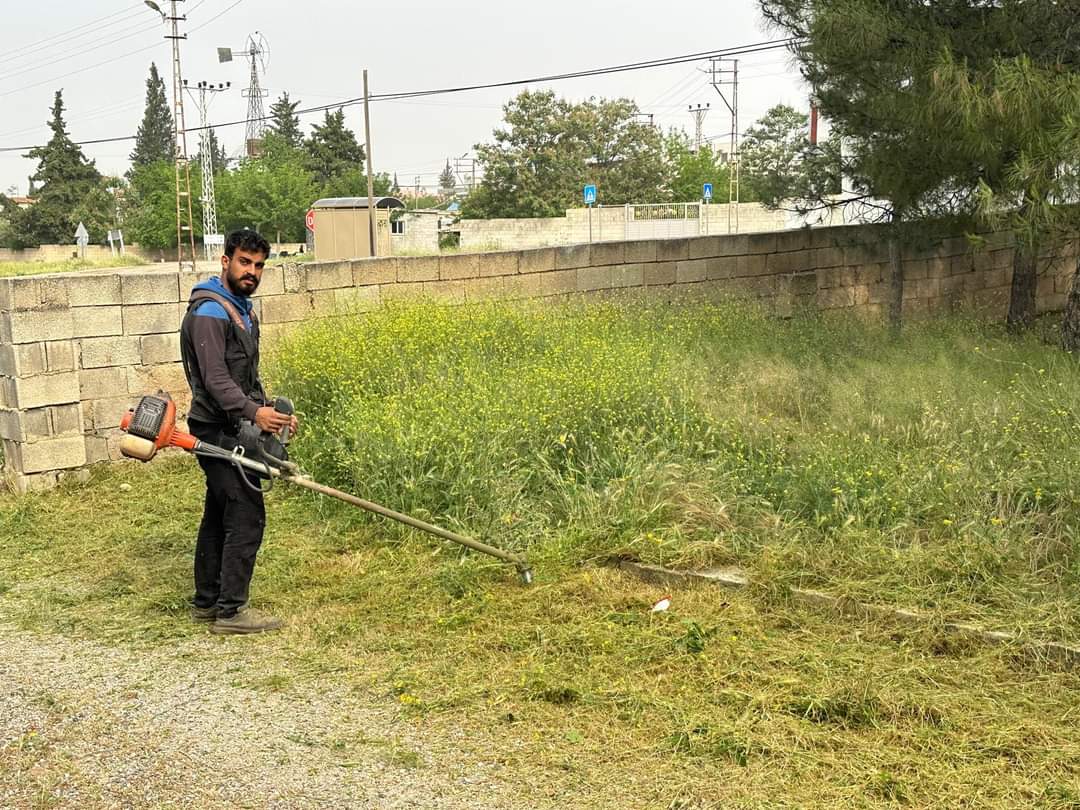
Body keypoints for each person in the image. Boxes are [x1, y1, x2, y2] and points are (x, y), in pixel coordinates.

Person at [179, 228, 298, 635]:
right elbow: (214, 379)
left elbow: (245, 376)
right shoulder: (210, 310)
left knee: (219, 513)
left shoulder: (241, 308)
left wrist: (272, 414)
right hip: (215, 430)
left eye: (259, 265)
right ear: (225, 261)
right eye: (244, 262)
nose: (252, 271)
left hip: (237, 425)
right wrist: (253, 412)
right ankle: (231, 613)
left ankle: (207, 600)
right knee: (246, 515)